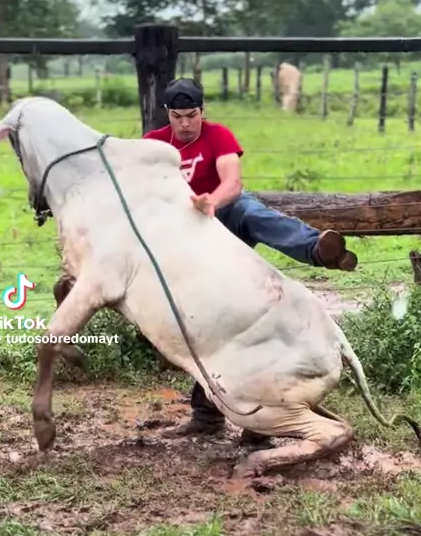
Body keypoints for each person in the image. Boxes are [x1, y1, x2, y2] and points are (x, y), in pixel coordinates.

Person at [142, 77, 357, 439]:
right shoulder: (153, 144)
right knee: (213, 326)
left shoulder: (218, 135)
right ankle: (207, 416)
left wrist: (211, 201)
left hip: (220, 217)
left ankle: (317, 250)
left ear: (202, 111)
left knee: (248, 209)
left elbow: (232, 182)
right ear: (168, 113)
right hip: (184, 239)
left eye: (192, 115)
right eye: (177, 116)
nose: (185, 123)